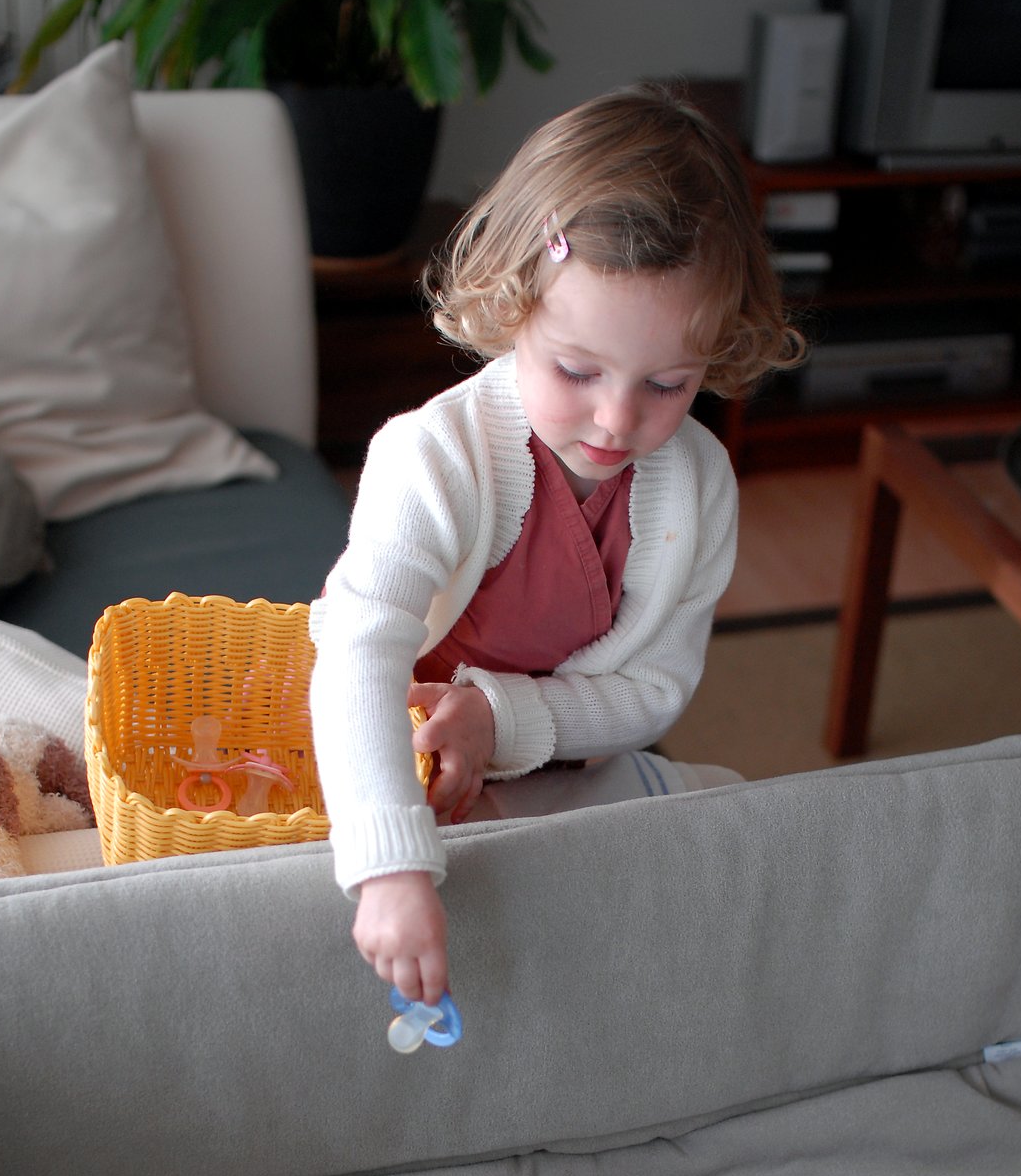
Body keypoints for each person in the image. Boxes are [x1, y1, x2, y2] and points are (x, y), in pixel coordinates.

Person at [308, 83, 802, 1004]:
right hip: (392, 758)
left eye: (668, 382)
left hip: (563, 761)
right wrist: (387, 865)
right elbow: (356, 656)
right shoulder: (434, 456)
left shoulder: (698, 485)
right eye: (578, 371)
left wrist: (505, 719)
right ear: (510, 307)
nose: (618, 420)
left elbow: (655, 691)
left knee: (735, 835)